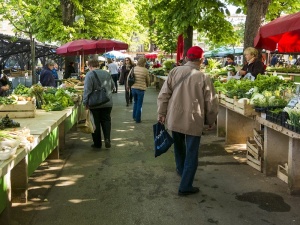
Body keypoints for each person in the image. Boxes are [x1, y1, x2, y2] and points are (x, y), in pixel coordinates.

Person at [157, 46, 219, 196]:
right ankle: (185, 186)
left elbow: (164, 94)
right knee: (192, 152)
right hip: (193, 119)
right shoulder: (203, 77)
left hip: (174, 117)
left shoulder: (174, 71)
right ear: (201, 60)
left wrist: (161, 113)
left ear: (186, 57)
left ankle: (180, 169)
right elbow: (211, 102)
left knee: (179, 147)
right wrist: (210, 120)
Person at [83, 58, 115, 149]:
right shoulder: (106, 73)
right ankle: (107, 139)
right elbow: (112, 86)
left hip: (95, 103)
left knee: (95, 122)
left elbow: (87, 90)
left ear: (89, 66)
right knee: (106, 120)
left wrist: (85, 102)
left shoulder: (89, 74)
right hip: (108, 101)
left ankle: (97, 143)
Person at [127, 57, 150, 123]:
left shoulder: (133, 68)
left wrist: (128, 86)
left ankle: (134, 116)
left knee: (135, 102)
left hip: (133, 88)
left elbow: (129, 77)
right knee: (139, 104)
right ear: (144, 63)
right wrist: (147, 85)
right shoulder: (145, 70)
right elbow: (148, 80)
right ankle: (138, 119)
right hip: (141, 89)